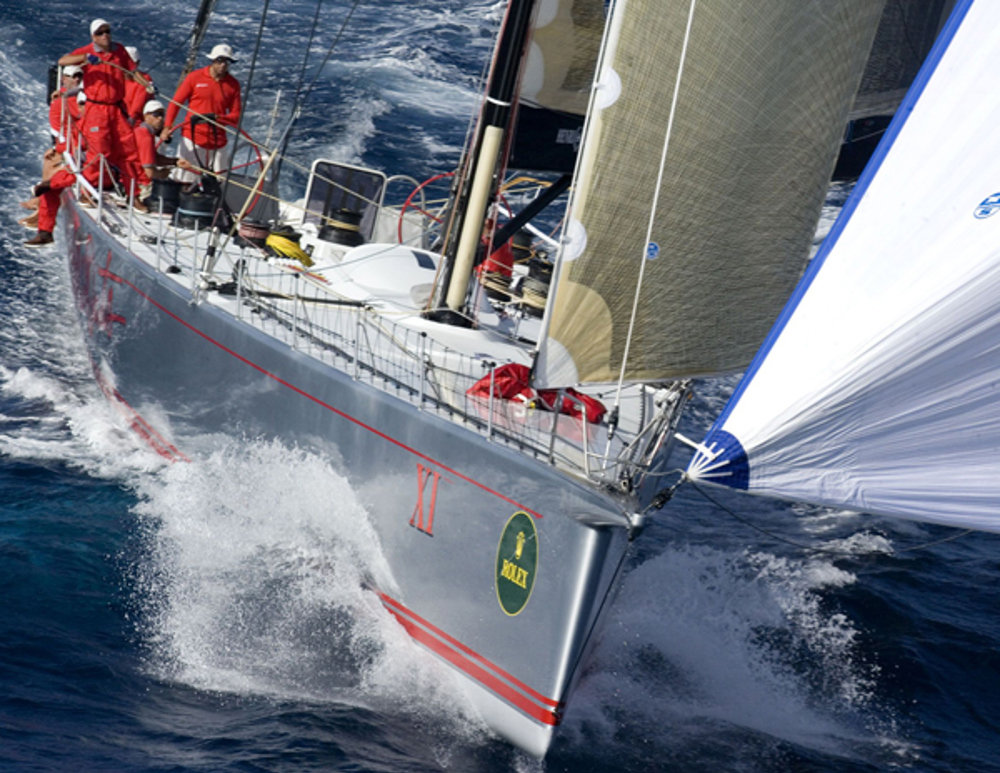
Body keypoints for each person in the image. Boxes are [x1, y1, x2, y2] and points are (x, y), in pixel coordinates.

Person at [57, 18, 148, 208]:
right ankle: (87, 192)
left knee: (129, 150)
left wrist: (148, 86)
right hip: (96, 109)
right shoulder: (88, 51)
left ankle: (133, 195)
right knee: (99, 152)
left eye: (107, 31)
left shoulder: (119, 50)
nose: (105, 35)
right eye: (100, 33)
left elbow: (132, 70)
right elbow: (62, 61)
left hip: (115, 108)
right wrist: (86, 59)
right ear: (93, 37)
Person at [162, 44, 241, 186]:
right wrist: (168, 127)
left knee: (219, 182)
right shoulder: (194, 78)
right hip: (192, 137)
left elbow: (236, 116)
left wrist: (219, 118)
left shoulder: (233, 84)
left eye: (226, 61)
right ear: (212, 60)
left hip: (218, 141)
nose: (223, 65)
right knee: (184, 181)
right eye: (219, 60)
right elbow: (175, 103)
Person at [133, 99, 192, 201]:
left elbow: (153, 158)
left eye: (162, 115)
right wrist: (163, 173)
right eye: (156, 114)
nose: (160, 118)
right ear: (146, 116)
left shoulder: (141, 131)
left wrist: (175, 162)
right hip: (142, 185)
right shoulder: (145, 137)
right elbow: (150, 173)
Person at [23, 159, 76, 248]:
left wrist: (50, 184)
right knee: (51, 186)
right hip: (91, 165)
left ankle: (44, 229)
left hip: (97, 172)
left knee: (51, 184)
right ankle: (44, 231)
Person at [123, 46, 155, 125]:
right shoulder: (117, 77)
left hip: (137, 123)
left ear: (137, 63)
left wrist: (129, 121)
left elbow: (137, 107)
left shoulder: (144, 80)